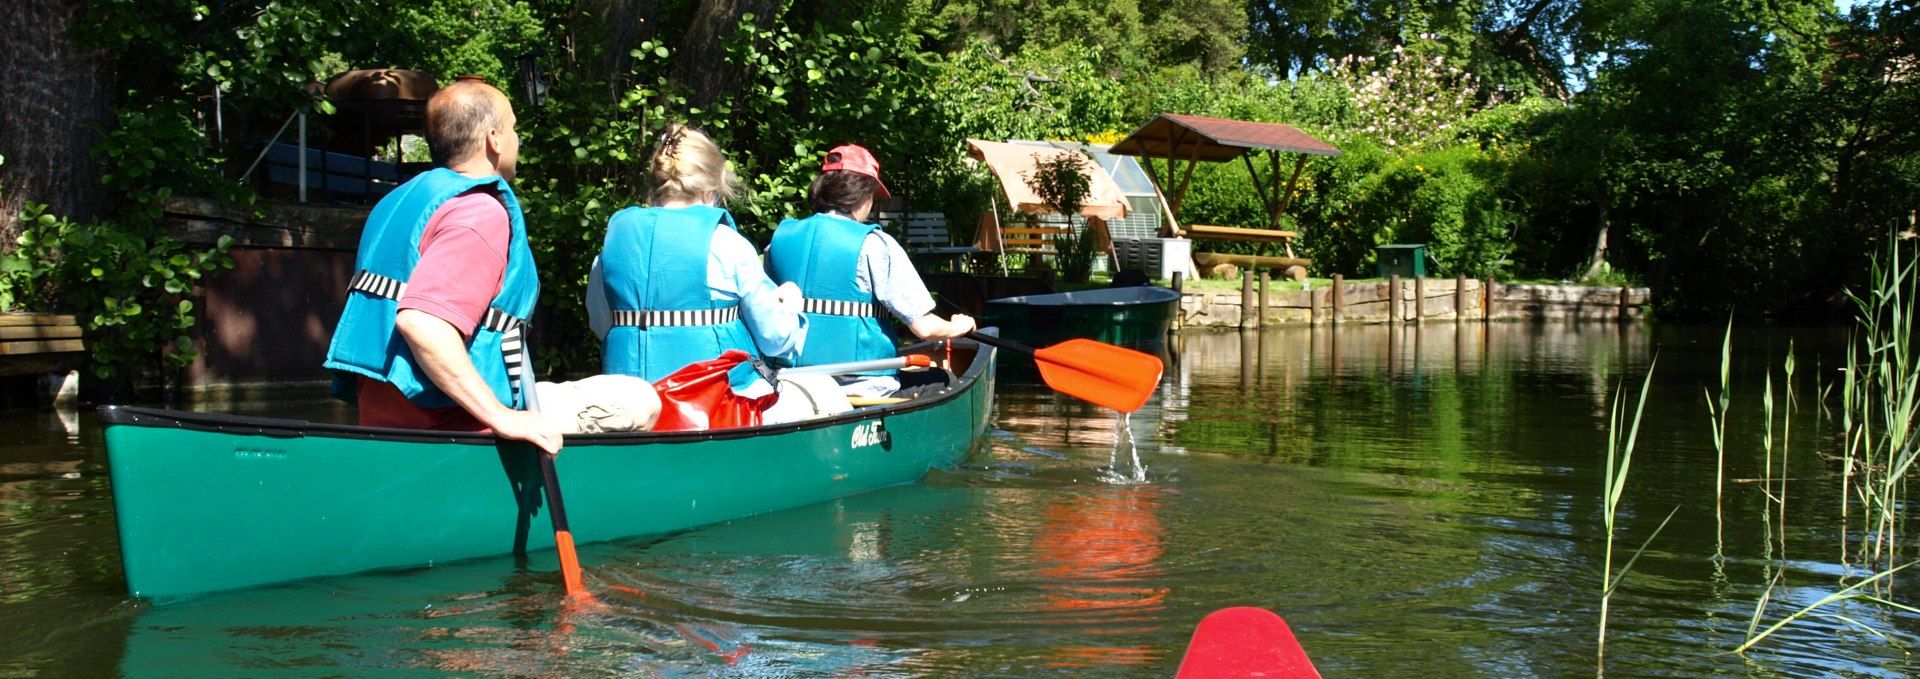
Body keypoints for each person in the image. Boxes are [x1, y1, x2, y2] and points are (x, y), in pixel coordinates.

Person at [322, 79, 563, 454]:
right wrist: (502, 416)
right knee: (637, 400)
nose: (518, 140)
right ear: (494, 138)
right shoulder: (479, 211)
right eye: (514, 128)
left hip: (386, 424)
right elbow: (423, 323)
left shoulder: (398, 201)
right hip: (450, 425)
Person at [586, 122, 806, 391]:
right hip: (717, 406)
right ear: (710, 190)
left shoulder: (612, 249)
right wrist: (792, 307)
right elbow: (776, 338)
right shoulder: (727, 245)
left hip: (631, 406)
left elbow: (600, 325)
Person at [766, 144, 975, 398]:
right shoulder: (873, 244)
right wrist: (959, 326)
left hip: (788, 380)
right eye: (873, 196)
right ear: (863, 194)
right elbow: (925, 329)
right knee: (943, 378)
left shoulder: (778, 240)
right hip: (859, 385)